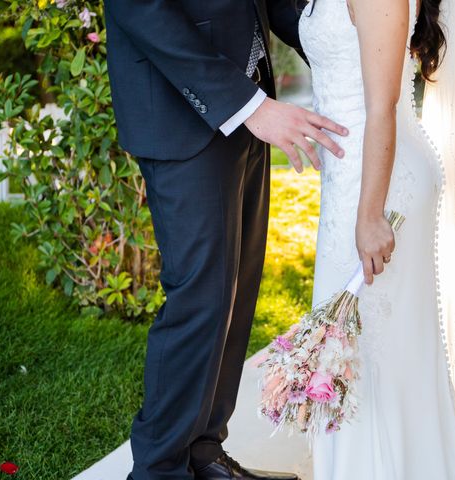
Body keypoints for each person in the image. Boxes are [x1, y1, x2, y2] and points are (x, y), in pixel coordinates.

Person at [102, 1, 349, 479]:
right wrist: (248, 106)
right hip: (185, 106)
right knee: (201, 300)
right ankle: (158, 469)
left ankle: (203, 453)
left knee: (234, 295)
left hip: (248, 105)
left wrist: (346, 37)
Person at [298, 0, 455, 477]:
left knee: (369, 356)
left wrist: (368, 215)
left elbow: (381, 104)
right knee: (361, 355)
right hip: (355, 176)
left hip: (379, 186)